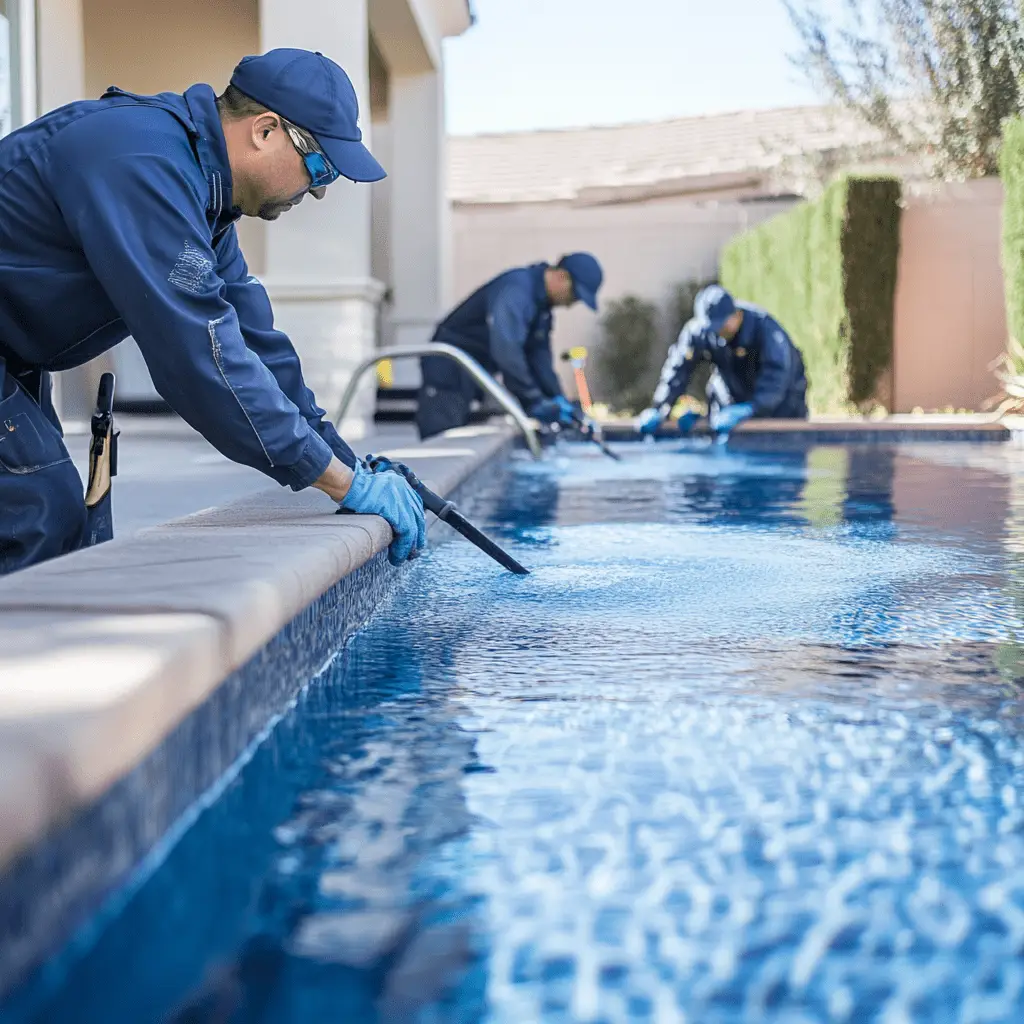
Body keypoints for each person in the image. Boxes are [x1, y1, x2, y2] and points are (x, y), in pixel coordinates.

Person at [0, 48, 425, 575]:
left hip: (15, 356)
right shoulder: (143, 161)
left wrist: (347, 461)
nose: (317, 190)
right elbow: (200, 359)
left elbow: (255, 343)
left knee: (60, 519)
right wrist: (340, 482)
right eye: (320, 167)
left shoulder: (204, 196)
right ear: (265, 130)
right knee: (36, 511)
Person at [415, 254, 604, 440]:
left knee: (461, 439)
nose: (572, 303)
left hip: (475, 370)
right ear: (561, 276)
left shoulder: (541, 308)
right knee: (442, 440)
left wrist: (558, 399)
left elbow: (539, 360)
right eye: (575, 295)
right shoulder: (517, 289)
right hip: (448, 367)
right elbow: (506, 351)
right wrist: (533, 399)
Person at [638, 284, 808, 438]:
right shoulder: (701, 332)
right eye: (711, 327)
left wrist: (754, 408)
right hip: (733, 404)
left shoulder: (766, 330)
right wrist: (660, 408)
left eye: (720, 326)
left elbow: (777, 375)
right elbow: (678, 369)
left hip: (783, 407)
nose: (716, 333)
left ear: (735, 315)